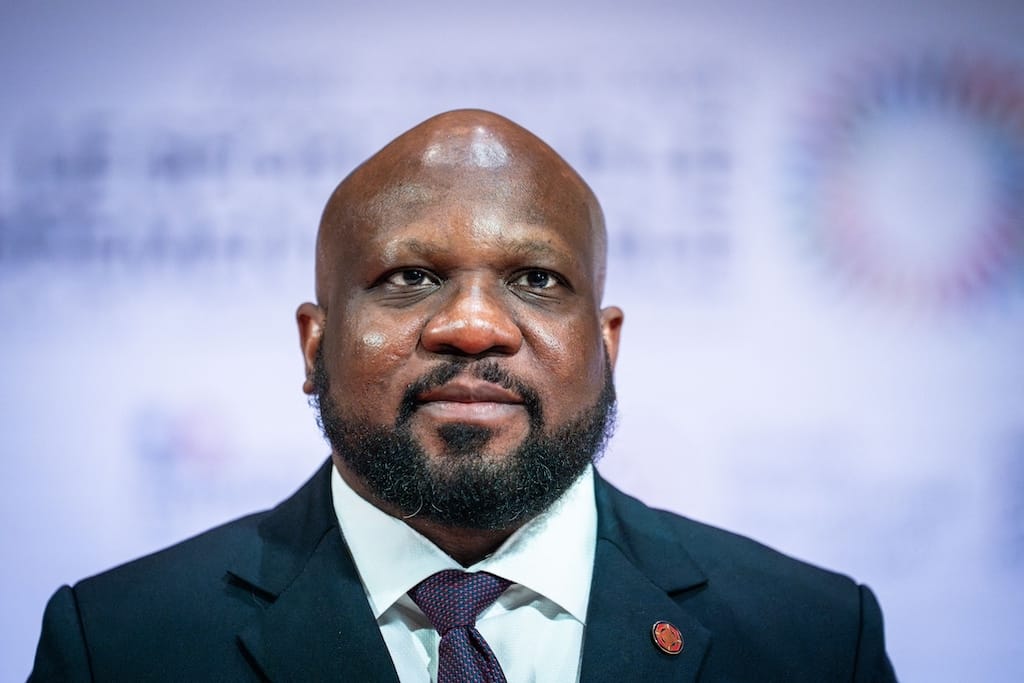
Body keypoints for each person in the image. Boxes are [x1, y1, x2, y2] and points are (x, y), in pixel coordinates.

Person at [30, 109, 897, 682]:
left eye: (536, 278)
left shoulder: (815, 637)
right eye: (409, 276)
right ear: (314, 343)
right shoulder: (119, 645)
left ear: (606, 347)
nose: (474, 326)